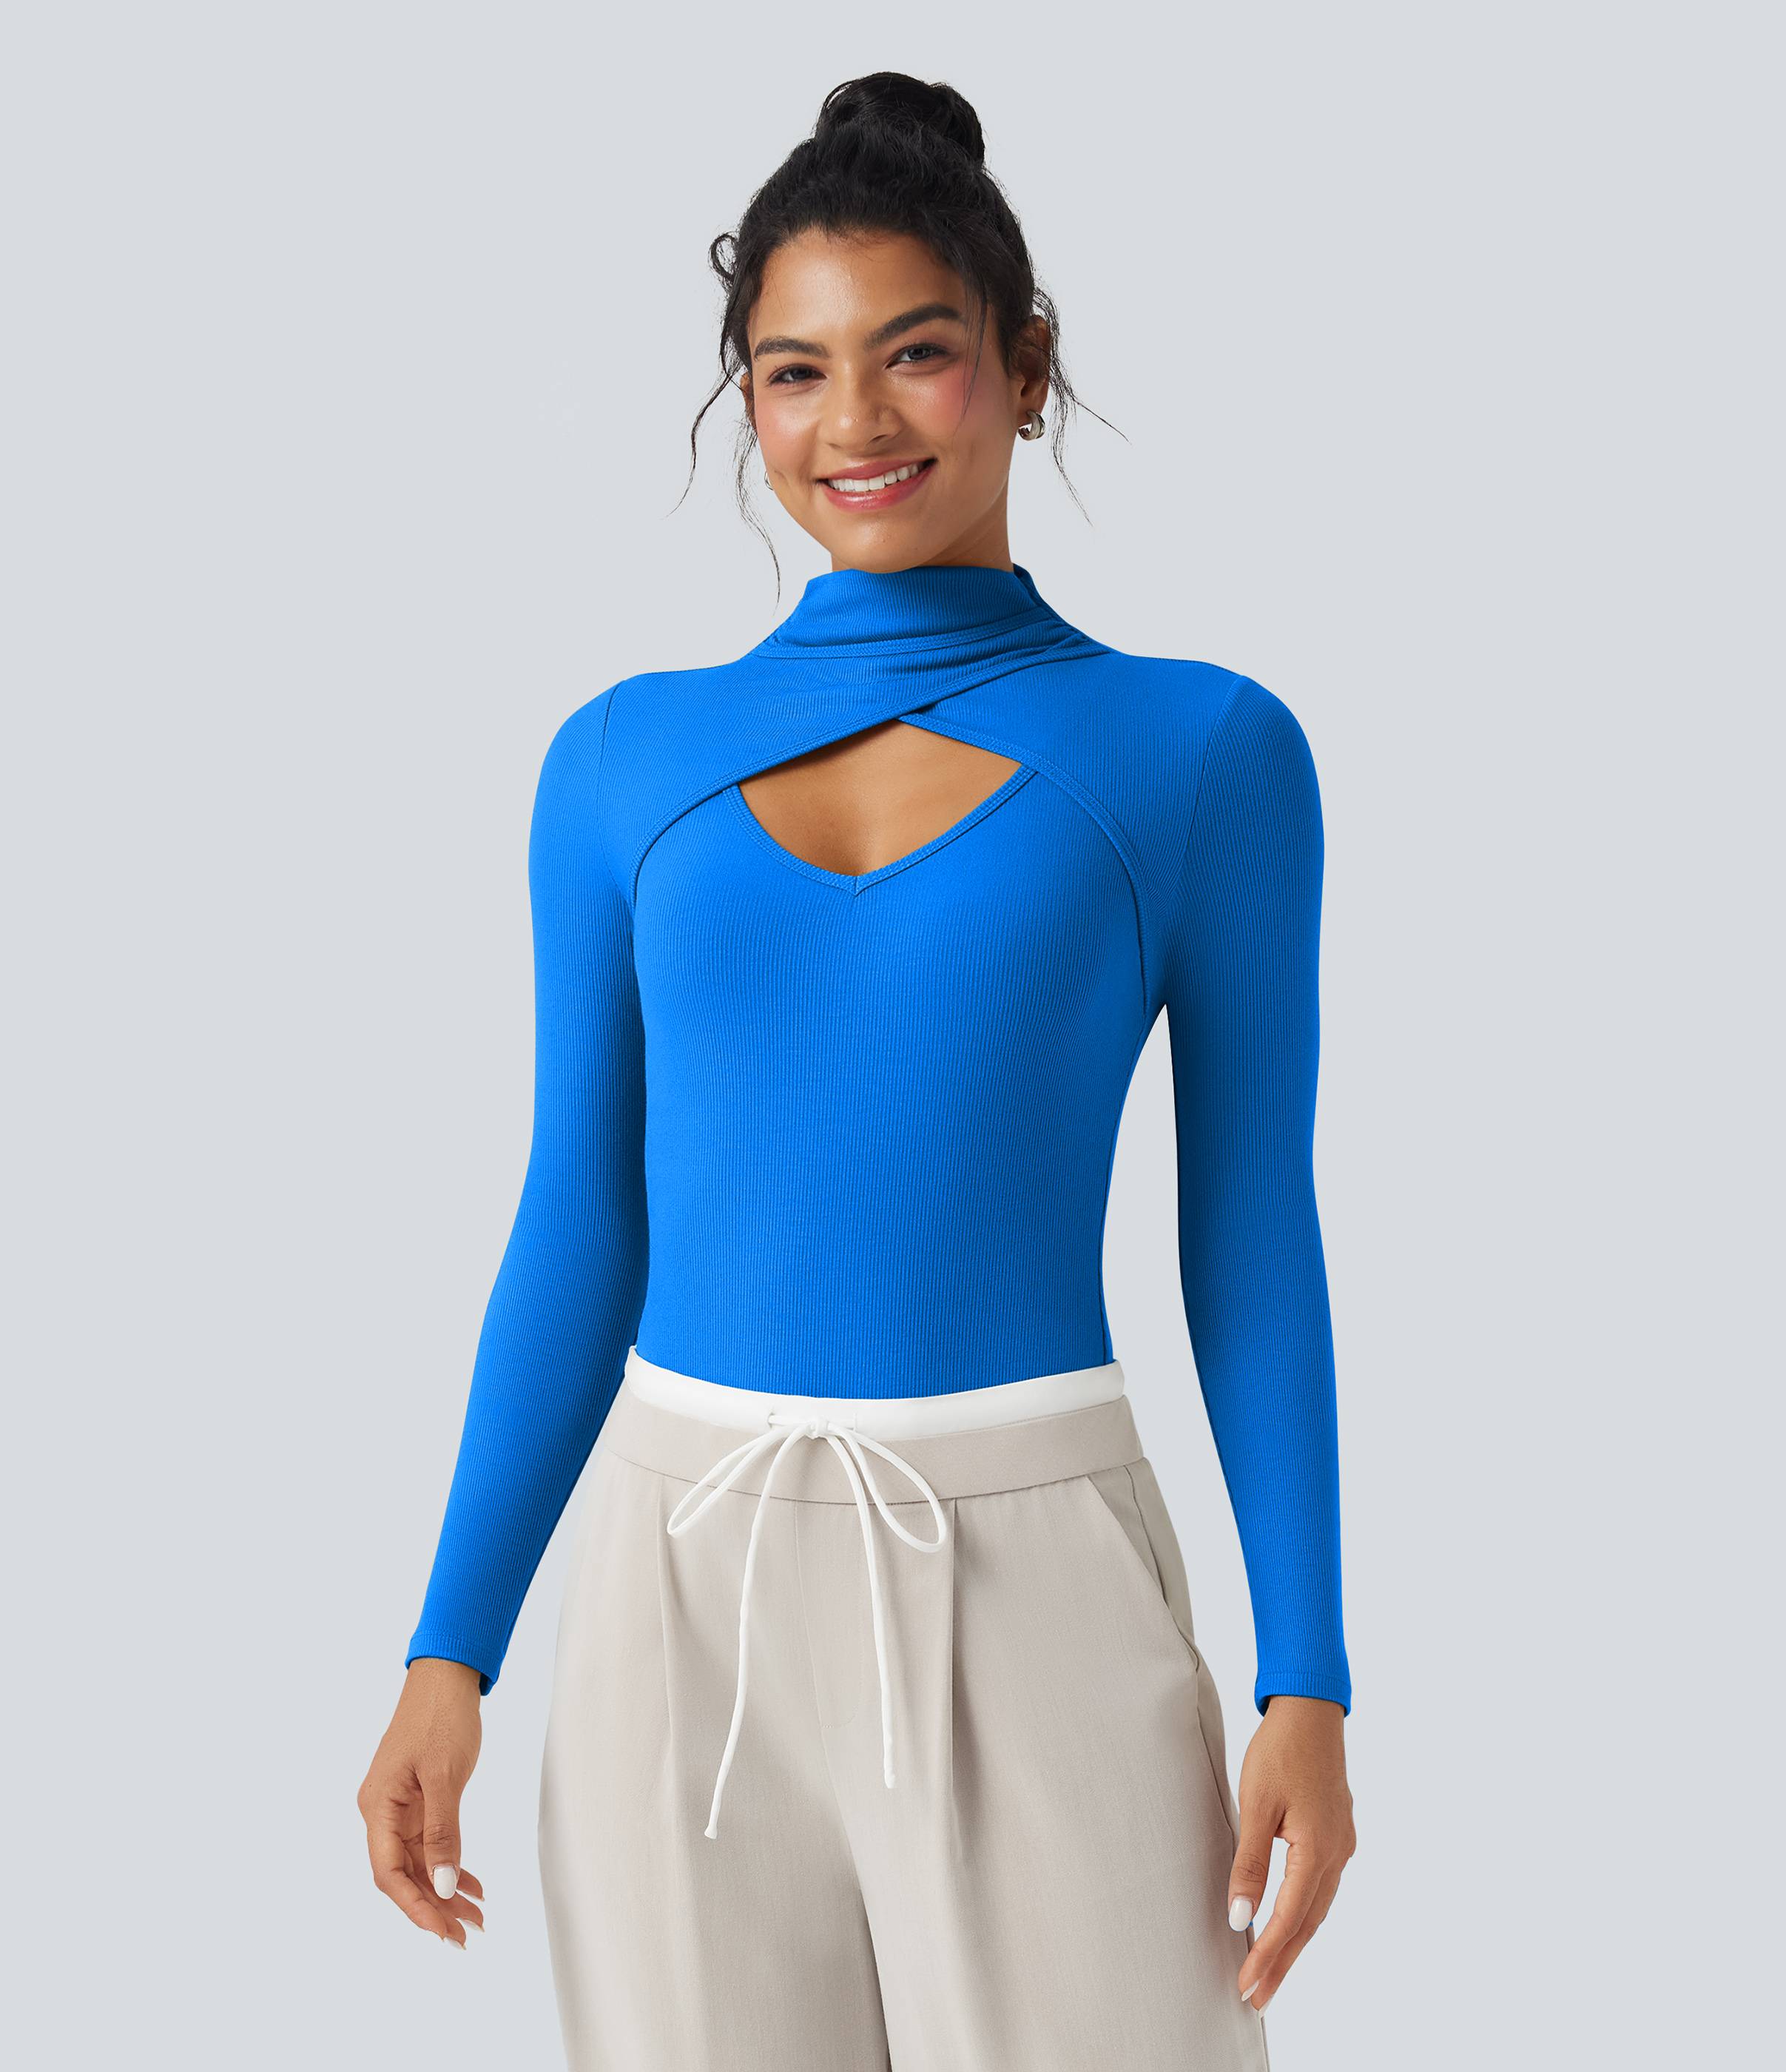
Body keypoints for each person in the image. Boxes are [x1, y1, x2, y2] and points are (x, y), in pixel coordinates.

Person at [358, 71, 1355, 2071]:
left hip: (1032, 1557)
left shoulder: (1201, 754)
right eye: (793, 373)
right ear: (747, 403)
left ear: (1027, 366)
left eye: (916, 354)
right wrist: (450, 1646)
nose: (856, 424)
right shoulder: (618, 761)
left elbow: (1248, 1234)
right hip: (676, 1587)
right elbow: (581, 1220)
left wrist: (1306, 1678)